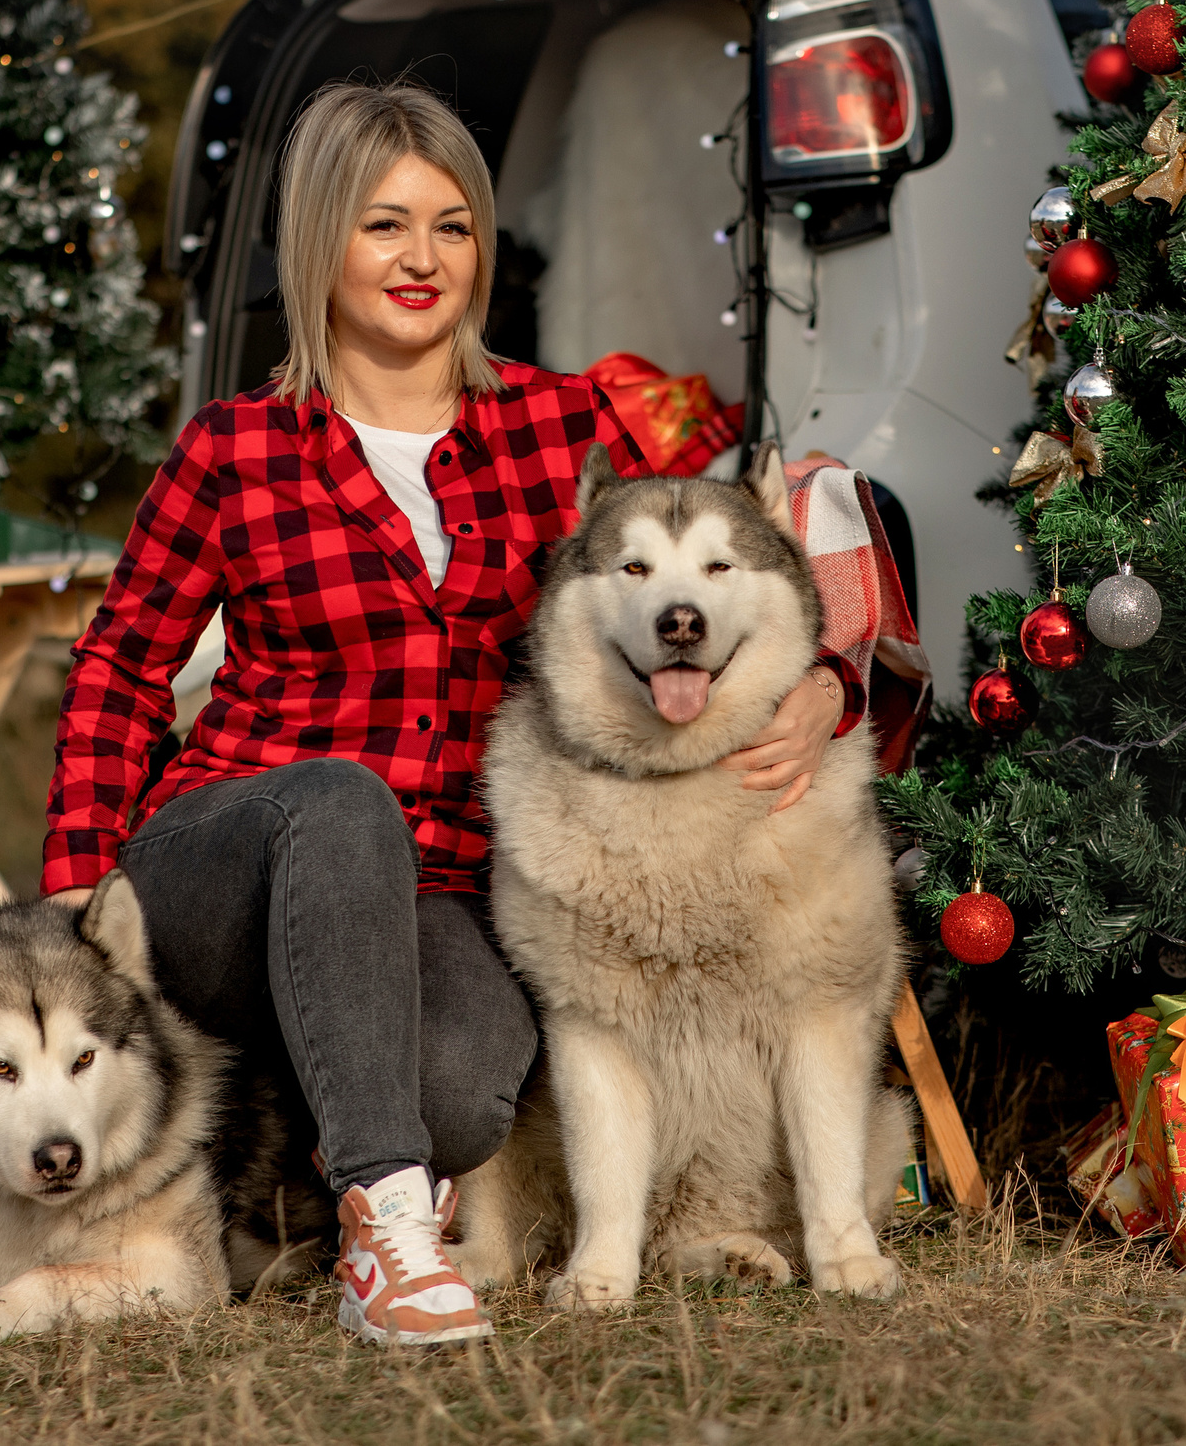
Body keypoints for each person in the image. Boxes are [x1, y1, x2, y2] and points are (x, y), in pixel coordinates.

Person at [42, 79, 859, 1346]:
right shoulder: (236, 448)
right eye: (383, 225)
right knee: (339, 797)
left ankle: (287, 1169)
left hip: (436, 889)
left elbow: (724, 564)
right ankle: (383, 1227)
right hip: (231, 858)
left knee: (468, 1101)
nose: (422, 258)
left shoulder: (558, 427)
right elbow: (117, 671)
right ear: (321, 239)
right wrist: (72, 906)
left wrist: (827, 685)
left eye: (452, 225)